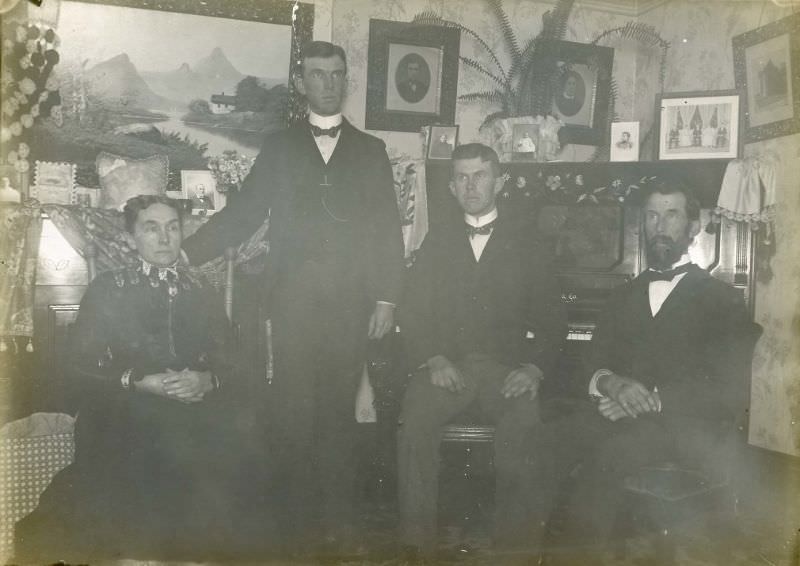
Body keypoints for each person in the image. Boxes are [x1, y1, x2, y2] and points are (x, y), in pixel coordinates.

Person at [181, 41, 404, 555]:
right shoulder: (279, 148)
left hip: (352, 307)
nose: (328, 83)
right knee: (293, 412)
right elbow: (243, 214)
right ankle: (294, 533)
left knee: (339, 415)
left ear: (345, 81)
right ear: (301, 83)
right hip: (292, 305)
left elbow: (386, 232)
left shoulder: (371, 151)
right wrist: (187, 255)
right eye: (318, 74)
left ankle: (340, 528)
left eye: (336, 74)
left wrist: (387, 300)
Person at [523, 179, 756, 561]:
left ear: (693, 227)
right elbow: (589, 363)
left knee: (608, 457)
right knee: (541, 442)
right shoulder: (623, 294)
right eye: (651, 216)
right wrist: (612, 384)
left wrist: (650, 400)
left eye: (671, 215)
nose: (660, 226)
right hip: (615, 412)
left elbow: (728, 387)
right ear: (642, 225)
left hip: (683, 426)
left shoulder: (721, 300)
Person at [14, 195, 246, 562]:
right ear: (130, 239)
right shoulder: (109, 288)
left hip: (193, 406)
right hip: (125, 406)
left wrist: (206, 380)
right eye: (151, 229)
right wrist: (137, 381)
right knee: (132, 454)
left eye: (172, 228)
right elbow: (76, 364)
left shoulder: (202, 290)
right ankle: (137, 553)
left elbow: (235, 363)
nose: (164, 238)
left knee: (223, 454)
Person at [397, 143, 567, 557]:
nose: (470, 185)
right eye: (461, 177)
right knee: (413, 421)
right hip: (447, 368)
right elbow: (413, 311)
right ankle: (416, 545)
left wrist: (532, 368)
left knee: (524, 424)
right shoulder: (436, 242)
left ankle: (515, 548)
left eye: (480, 175)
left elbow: (553, 322)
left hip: (505, 370)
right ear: (452, 187)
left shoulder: (531, 243)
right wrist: (434, 358)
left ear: (500, 182)